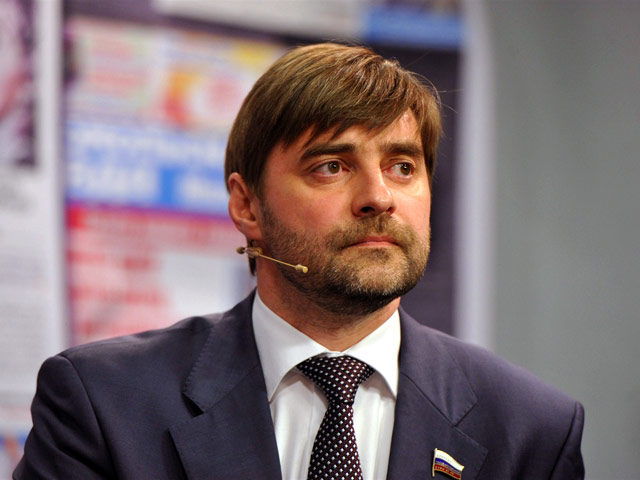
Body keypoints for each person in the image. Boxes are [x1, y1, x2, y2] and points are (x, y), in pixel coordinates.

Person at [14, 43, 584, 480]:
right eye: (331, 166)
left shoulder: (531, 429)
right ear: (247, 206)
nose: (379, 197)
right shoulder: (102, 403)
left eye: (402, 167)